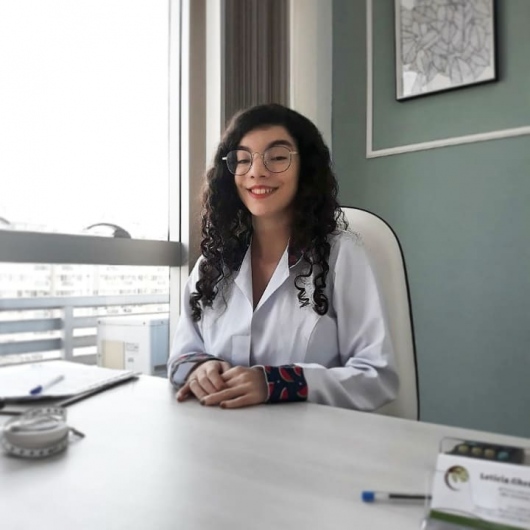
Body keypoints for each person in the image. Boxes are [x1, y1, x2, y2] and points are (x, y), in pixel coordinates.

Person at [167, 103, 398, 410]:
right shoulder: (212, 265)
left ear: (306, 168)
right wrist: (200, 368)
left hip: (309, 436)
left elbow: (376, 376)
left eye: (277, 157)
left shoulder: (342, 256)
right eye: (243, 159)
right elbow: (182, 355)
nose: (257, 171)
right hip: (218, 429)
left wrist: (275, 383)